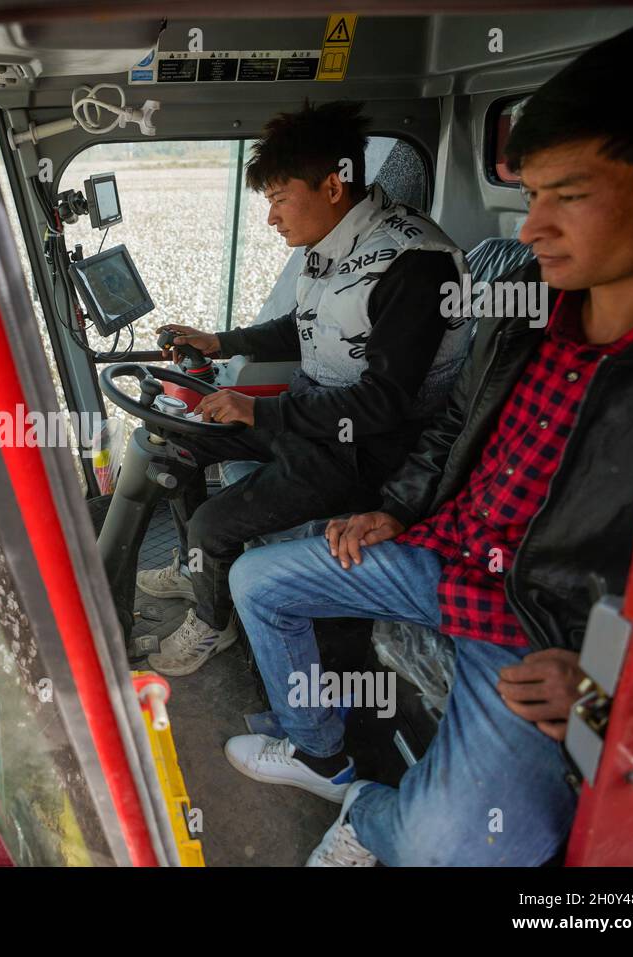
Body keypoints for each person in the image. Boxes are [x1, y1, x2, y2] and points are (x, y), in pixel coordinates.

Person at [224, 17, 633, 865]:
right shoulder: (527, 301)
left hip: (543, 626)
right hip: (446, 547)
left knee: (445, 847)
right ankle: (323, 752)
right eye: (532, 191)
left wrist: (615, 690)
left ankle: (367, 810)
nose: (530, 228)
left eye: (571, 195)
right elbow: (454, 422)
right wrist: (398, 511)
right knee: (256, 576)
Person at [139, 100, 471, 676]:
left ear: (333, 185)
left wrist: (260, 413)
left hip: (367, 450)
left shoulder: (417, 263)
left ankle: (212, 625)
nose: (271, 219)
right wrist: (222, 340)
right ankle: (197, 565)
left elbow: (385, 402)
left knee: (213, 524)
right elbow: (308, 326)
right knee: (180, 441)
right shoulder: (341, 244)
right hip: (316, 415)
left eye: (277, 199)